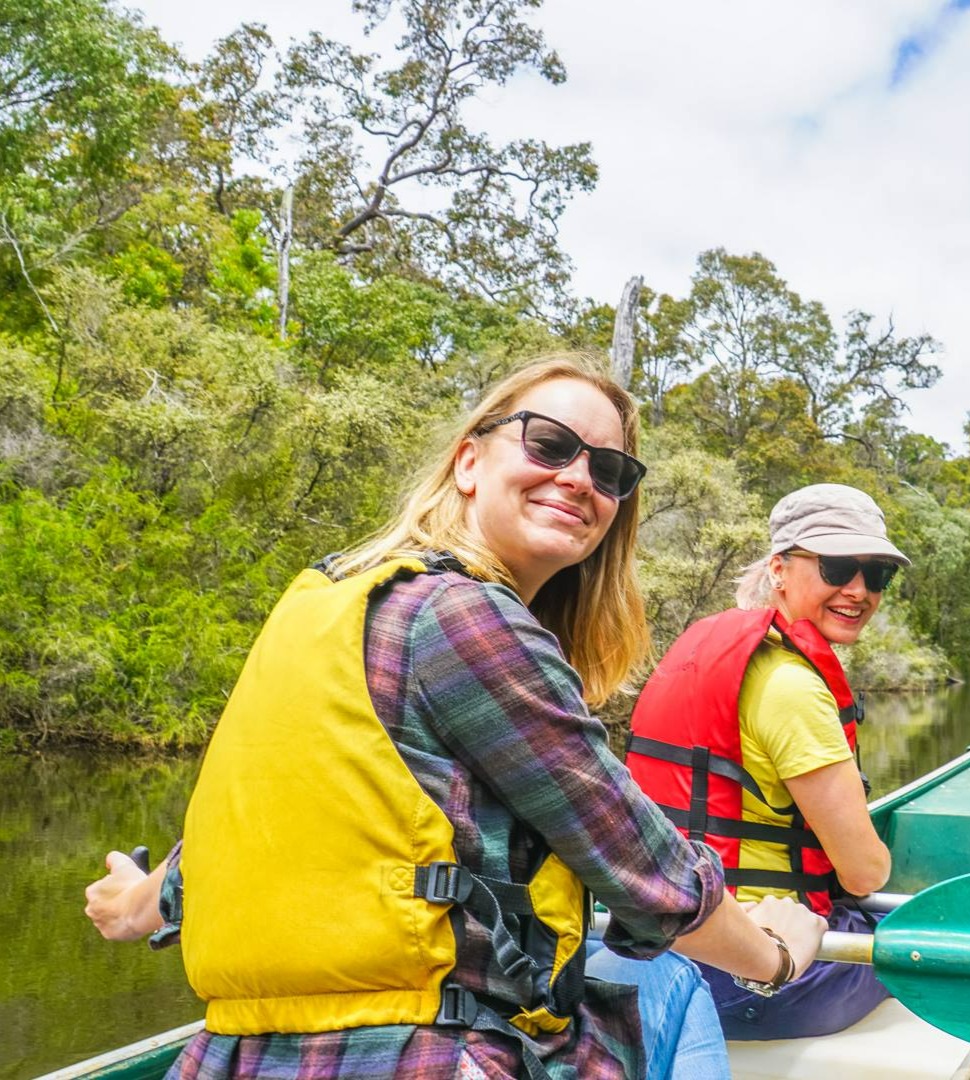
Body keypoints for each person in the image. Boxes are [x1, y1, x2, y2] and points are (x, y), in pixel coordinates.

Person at [85, 354, 825, 1080]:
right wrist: (774, 958)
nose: (579, 478)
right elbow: (647, 875)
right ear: (469, 461)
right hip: (426, 1056)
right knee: (673, 982)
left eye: (609, 472)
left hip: (233, 1056)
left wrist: (135, 905)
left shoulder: (328, 603)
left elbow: (251, 836)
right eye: (550, 443)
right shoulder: (465, 621)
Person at [626, 483, 907, 1040]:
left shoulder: (703, 653)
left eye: (877, 575)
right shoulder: (791, 686)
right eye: (838, 566)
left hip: (663, 948)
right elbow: (865, 872)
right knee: (914, 932)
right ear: (779, 568)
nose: (859, 590)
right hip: (754, 973)